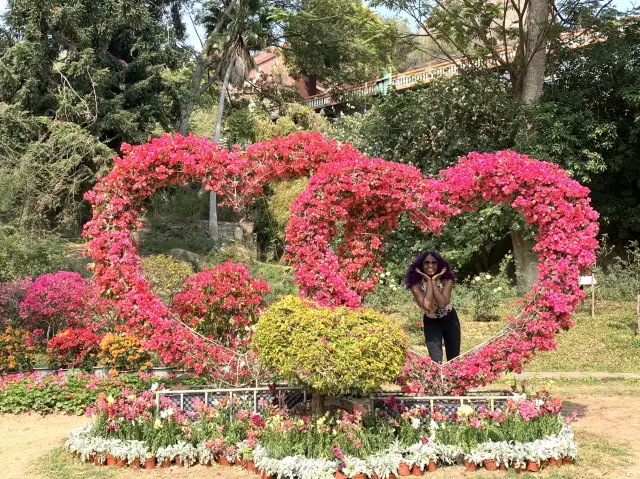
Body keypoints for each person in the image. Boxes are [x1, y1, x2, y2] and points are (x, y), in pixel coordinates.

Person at [405, 251, 461, 363]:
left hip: (450, 320)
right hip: (431, 323)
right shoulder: (415, 285)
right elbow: (427, 305)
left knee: (453, 359)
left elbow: (442, 304)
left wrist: (434, 281)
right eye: (427, 263)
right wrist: (429, 282)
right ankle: (438, 381)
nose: (430, 266)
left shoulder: (447, 280)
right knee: (435, 361)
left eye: (434, 262)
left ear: (438, 264)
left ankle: (452, 380)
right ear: (421, 265)